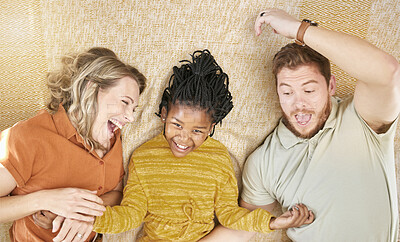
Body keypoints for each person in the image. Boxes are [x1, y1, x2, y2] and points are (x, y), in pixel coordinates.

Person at [202, 8, 400, 242]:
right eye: (287, 92)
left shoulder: (362, 119)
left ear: (331, 86)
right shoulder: (263, 162)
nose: (299, 105)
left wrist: (299, 29)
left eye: (309, 90)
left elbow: (388, 72)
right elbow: (240, 231)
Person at [91, 50, 314, 241]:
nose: (184, 138)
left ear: (211, 127)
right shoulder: (143, 157)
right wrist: (90, 221)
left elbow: (229, 215)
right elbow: (131, 214)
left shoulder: (218, 158)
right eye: (176, 125)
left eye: (197, 131)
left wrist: (273, 222)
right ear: (164, 115)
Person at [0, 47, 147, 241]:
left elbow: (117, 193)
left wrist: (81, 213)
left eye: (133, 108)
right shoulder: (27, 137)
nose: (130, 117)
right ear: (91, 88)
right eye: (124, 102)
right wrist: (45, 199)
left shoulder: (113, 135)